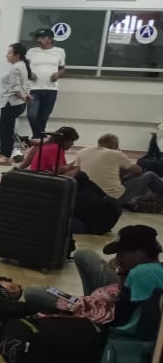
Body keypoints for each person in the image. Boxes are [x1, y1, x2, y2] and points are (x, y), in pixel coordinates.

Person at [26, 226, 163, 336]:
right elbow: (127, 299)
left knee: (32, 292)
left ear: (138, 253)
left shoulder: (141, 274)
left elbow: (128, 319)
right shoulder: (149, 268)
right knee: (83, 254)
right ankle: (85, 299)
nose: (117, 257)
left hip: (102, 311)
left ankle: (77, 303)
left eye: (121, 253)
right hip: (105, 298)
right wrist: (122, 271)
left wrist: (84, 311)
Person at [76, 133, 163, 208]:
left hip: (91, 196)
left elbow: (77, 171)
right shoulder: (115, 153)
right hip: (113, 198)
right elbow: (138, 171)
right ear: (114, 145)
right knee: (150, 175)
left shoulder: (82, 151)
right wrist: (125, 178)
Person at [0, 43, 35, 166]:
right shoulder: (21, 65)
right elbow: (25, 85)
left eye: (10, 53)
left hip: (11, 103)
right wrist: (25, 95)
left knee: (7, 130)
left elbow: (15, 87)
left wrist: (23, 96)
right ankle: (3, 153)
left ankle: (6, 157)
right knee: (3, 128)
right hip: (14, 103)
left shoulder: (16, 67)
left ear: (17, 55)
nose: (7, 55)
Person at [26, 27, 66, 138]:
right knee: (32, 115)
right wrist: (30, 73)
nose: (39, 40)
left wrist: (58, 74)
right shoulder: (31, 52)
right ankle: (41, 137)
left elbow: (62, 68)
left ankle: (37, 139)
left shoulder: (59, 51)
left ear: (50, 38)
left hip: (51, 89)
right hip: (34, 88)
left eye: (42, 37)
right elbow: (24, 67)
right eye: (38, 37)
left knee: (44, 116)